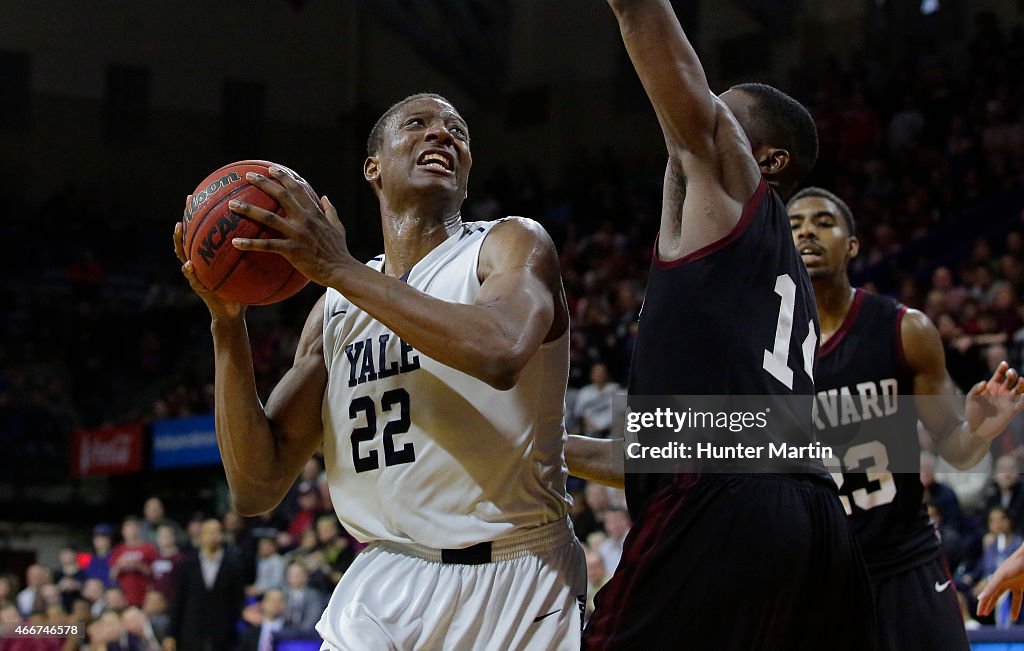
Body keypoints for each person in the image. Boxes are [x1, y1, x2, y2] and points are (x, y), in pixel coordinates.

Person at [172, 92, 585, 650]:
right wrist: (227, 326)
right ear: (374, 169)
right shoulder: (336, 308)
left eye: (457, 130)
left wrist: (337, 268)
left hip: (515, 575)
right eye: (418, 124)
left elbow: (501, 350)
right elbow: (256, 485)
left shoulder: (507, 244)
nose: (443, 134)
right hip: (384, 581)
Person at [569, 2, 877, 648]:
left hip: (721, 506)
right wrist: (539, 449)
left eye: (721, 107)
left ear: (765, 161)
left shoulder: (733, 192)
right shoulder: (760, 276)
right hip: (808, 516)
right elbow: (689, 443)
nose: (699, 104)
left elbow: (649, 22)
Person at [787, 186, 1024, 650]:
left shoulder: (903, 329)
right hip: (816, 574)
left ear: (852, 245)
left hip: (904, 563)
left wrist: (981, 428)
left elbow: (956, 448)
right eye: (794, 225)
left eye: (823, 222)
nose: (808, 233)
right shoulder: (764, 349)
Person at [164, 519, 247, 651]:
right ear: (201, 536)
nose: (213, 536)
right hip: (192, 631)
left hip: (223, 634)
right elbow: (178, 601)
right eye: (209, 532)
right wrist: (170, 634)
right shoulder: (187, 564)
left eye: (217, 532)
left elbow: (238, 600)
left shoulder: (233, 565)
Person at [110, 517, 158, 608]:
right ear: (123, 531)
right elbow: (112, 575)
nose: (131, 531)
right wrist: (119, 565)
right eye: (128, 528)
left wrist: (138, 565)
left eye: (133, 528)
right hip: (124, 596)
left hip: (144, 595)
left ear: (139, 530)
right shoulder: (118, 550)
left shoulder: (149, 548)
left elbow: (154, 573)